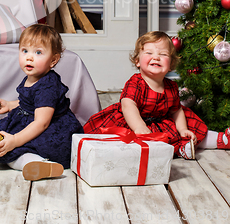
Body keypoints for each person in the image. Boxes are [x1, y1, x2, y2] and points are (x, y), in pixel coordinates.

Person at [83, 31, 230, 159]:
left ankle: (220, 139)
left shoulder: (171, 86)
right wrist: (139, 127)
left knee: (190, 126)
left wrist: (182, 129)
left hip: (160, 122)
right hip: (132, 122)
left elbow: (176, 110)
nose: (156, 57)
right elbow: (128, 106)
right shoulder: (136, 83)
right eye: (149, 53)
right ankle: (179, 149)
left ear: (171, 64)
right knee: (122, 144)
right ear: (137, 61)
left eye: (163, 54)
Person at [0, 24, 83, 181]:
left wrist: (15, 140)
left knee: (16, 150)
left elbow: (42, 123)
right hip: (31, 122)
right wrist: (10, 105)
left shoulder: (47, 86)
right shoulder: (32, 77)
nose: (29, 57)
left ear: (53, 60)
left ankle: (36, 163)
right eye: (25, 51)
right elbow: (30, 103)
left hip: (51, 132)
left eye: (38, 52)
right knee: (7, 138)